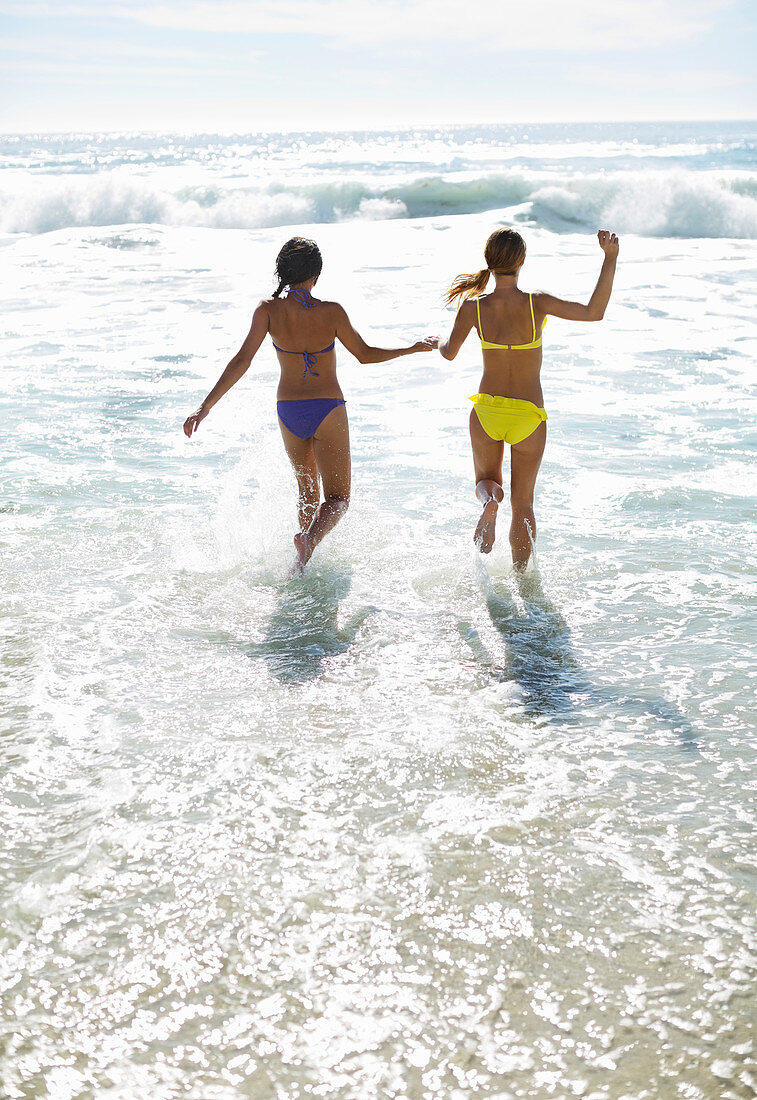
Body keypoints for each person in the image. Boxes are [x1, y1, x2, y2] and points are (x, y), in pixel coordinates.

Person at [183, 236, 434, 572]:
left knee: (307, 493)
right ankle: (310, 540)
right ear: (316, 273)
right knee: (339, 499)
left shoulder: (267, 311)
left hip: (289, 411)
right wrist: (411, 348)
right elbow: (365, 355)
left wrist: (205, 406)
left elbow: (242, 360)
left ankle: (299, 563)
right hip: (327, 408)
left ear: (282, 271)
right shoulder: (331, 312)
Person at [437, 227, 619, 568]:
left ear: (489, 262)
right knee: (523, 505)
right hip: (528, 416)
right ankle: (525, 588)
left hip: (487, 411)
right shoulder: (537, 303)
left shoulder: (473, 308)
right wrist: (609, 259)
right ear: (521, 261)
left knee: (485, 483)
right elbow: (594, 311)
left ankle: (490, 501)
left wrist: (436, 344)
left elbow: (449, 353)